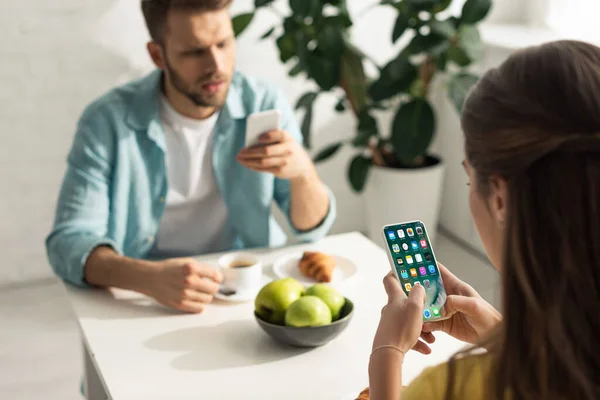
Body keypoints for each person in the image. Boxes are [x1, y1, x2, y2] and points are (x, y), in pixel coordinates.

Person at [45, 0, 335, 314]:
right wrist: (147, 278)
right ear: (158, 55)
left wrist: (303, 173)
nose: (217, 65)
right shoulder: (107, 121)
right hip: (148, 297)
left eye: (223, 43)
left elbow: (311, 229)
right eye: (194, 52)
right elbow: (69, 243)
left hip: (248, 289)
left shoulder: (263, 102)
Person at [366, 40, 600, 399]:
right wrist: (500, 336)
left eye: (469, 179)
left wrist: (387, 354)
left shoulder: (454, 388)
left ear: (502, 200)